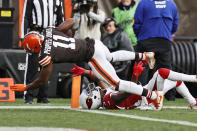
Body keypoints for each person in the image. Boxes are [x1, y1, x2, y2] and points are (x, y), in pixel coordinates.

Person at [11, 18, 163, 110]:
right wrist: (57, 30)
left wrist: (26, 87)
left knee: (116, 84)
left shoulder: (45, 55)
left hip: (92, 55)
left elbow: (43, 80)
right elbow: (72, 21)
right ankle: (144, 56)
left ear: (37, 47)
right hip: (94, 43)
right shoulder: (48, 32)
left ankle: (153, 95)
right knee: (110, 57)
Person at [72, 63, 197, 110]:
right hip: (147, 99)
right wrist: (135, 76)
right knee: (161, 72)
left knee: (176, 81)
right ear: (94, 99)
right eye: (91, 92)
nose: (92, 89)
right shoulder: (108, 100)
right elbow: (129, 91)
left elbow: (99, 78)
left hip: (143, 93)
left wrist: (85, 72)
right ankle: (194, 78)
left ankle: (193, 103)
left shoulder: (105, 95)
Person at [133, 0, 179, 100]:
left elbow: (136, 23)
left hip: (146, 40)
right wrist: (167, 34)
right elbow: (175, 24)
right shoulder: (171, 4)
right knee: (167, 69)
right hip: (164, 41)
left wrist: (141, 36)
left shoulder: (143, 3)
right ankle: (170, 96)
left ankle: (141, 95)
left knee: (142, 68)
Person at [21, 0, 65, 104]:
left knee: (46, 65)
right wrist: (24, 36)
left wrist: (60, 36)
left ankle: (43, 96)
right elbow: (25, 17)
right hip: (35, 33)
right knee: (32, 66)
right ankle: (29, 96)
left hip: (50, 34)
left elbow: (61, 19)